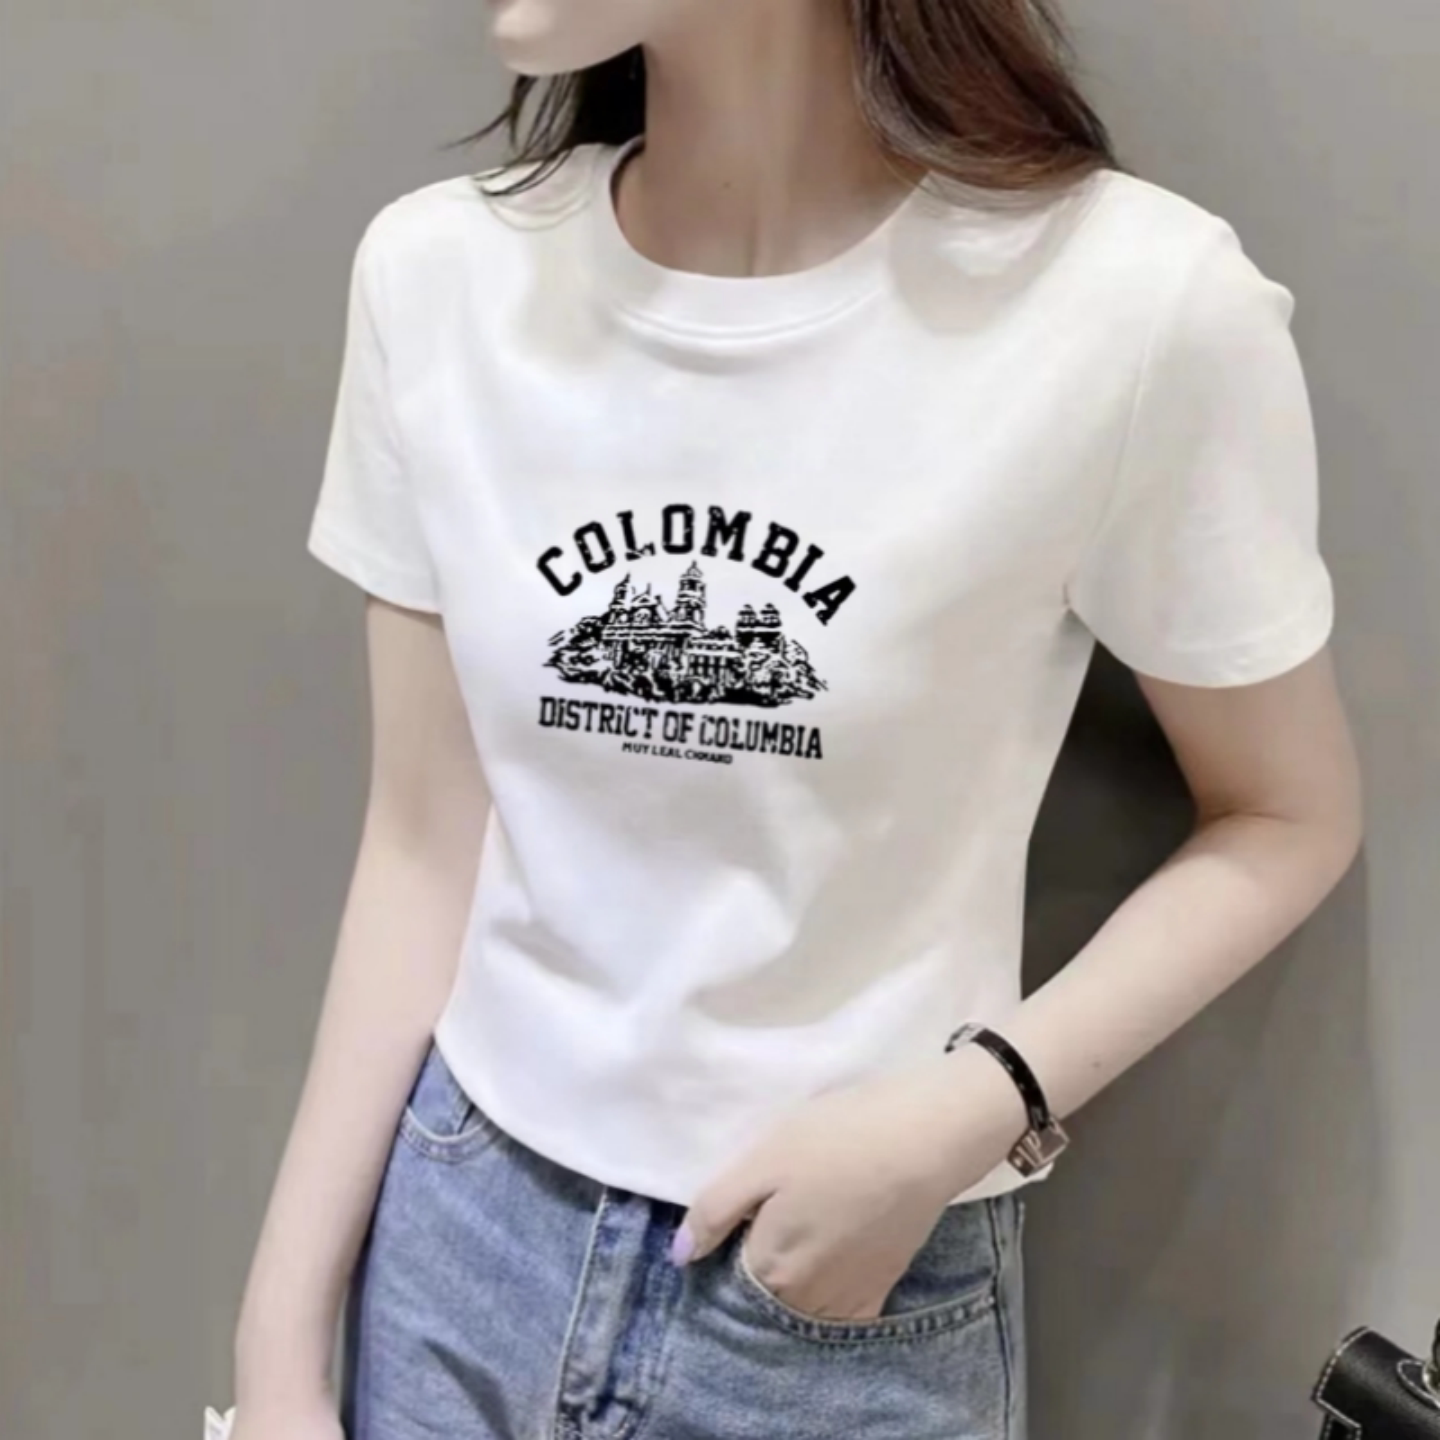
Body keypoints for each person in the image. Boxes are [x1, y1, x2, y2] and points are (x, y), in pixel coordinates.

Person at [229, 2, 1365, 1438]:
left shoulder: (1130, 306)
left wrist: (972, 1108)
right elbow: (420, 840)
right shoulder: (440, 275)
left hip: (840, 1305)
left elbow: (1288, 812)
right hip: (457, 1240)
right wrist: (277, 1354)